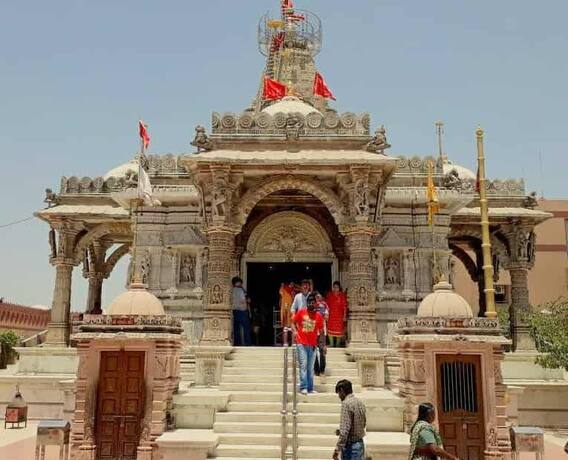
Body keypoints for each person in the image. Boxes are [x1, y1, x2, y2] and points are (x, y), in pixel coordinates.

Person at [291, 293, 324, 395]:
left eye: (312, 302)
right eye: (309, 302)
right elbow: (292, 322)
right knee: (303, 365)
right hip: (301, 343)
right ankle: (303, 387)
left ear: (315, 303)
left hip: (313, 345)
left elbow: (321, 331)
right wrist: (295, 332)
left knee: (310, 367)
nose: (311, 304)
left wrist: (322, 345)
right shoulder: (301, 312)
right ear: (307, 303)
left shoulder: (318, 316)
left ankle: (310, 388)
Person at [333, 379, 366, 460]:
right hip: (360, 445)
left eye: (339, 393)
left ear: (342, 391)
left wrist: (337, 450)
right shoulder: (360, 403)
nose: (339, 396)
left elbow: (344, 432)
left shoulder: (346, 404)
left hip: (350, 448)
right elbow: (363, 423)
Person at [326, 281, 348, 347]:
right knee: (330, 329)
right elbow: (327, 305)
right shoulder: (330, 295)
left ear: (339, 288)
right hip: (331, 315)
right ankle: (332, 344)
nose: (335, 289)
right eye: (334, 287)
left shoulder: (342, 295)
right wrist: (326, 314)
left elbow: (344, 306)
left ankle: (337, 344)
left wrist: (344, 316)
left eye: (337, 287)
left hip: (339, 316)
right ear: (333, 287)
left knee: (339, 330)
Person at [231, 276, 251, 346]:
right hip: (242, 310)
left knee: (236, 328)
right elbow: (243, 300)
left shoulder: (232, 290)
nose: (241, 284)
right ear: (237, 283)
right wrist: (247, 300)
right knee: (246, 327)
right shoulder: (240, 290)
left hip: (235, 310)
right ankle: (247, 343)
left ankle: (237, 343)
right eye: (240, 283)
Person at [314, 291, 329, 376]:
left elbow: (326, 317)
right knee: (313, 351)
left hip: (322, 330)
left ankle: (322, 369)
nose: (318, 298)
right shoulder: (312, 305)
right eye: (316, 297)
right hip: (313, 330)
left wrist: (321, 315)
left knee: (322, 350)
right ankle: (316, 369)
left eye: (319, 297)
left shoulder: (324, 305)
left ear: (322, 297)